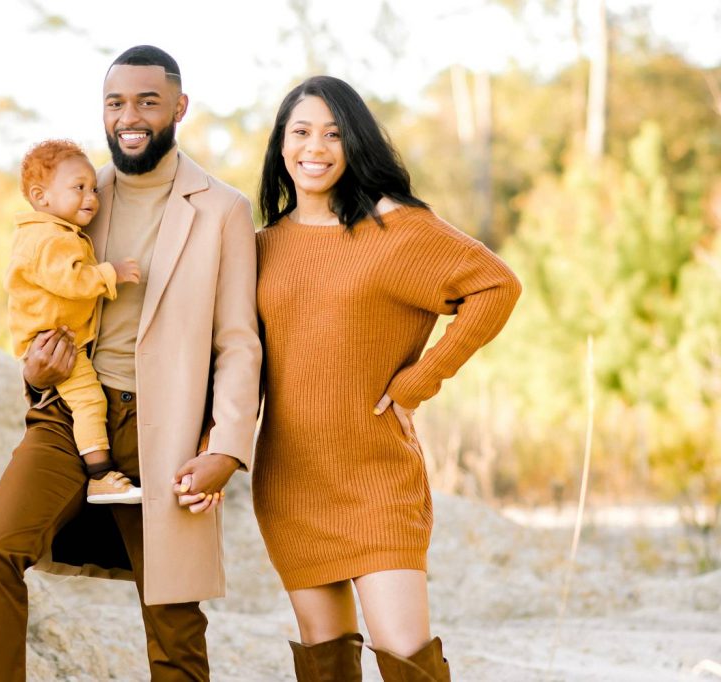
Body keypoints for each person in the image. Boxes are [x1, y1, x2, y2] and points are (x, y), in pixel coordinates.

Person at [0, 45, 261, 682]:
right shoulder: (77, 197)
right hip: (70, 414)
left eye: (147, 102)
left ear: (179, 108)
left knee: (175, 622)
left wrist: (228, 447)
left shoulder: (223, 209)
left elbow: (239, 342)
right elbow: (35, 302)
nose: (129, 116)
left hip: (168, 431)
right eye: (116, 102)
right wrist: (34, 372)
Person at [253, 75, 522, 682]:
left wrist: (419, 380)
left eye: (333, 133)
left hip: (377, 474)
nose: (314, 147)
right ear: (281, 145)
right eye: (300, 132)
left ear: (355, 145)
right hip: (291, 479)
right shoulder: (262, 247)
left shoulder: (393, 230)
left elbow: (496, 286)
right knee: (324, 658)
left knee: (404, 654)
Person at [6, 138, 143, 504]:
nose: (91, 198)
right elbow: (69, 280)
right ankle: (99, 474)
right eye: (79, 188)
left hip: (56, 336)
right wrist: (108, 273)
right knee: (89, 402)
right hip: (54, 342)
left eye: (94, 189)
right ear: (41, 196)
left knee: (85, 401)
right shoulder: (48, 239)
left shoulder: (52, 232)